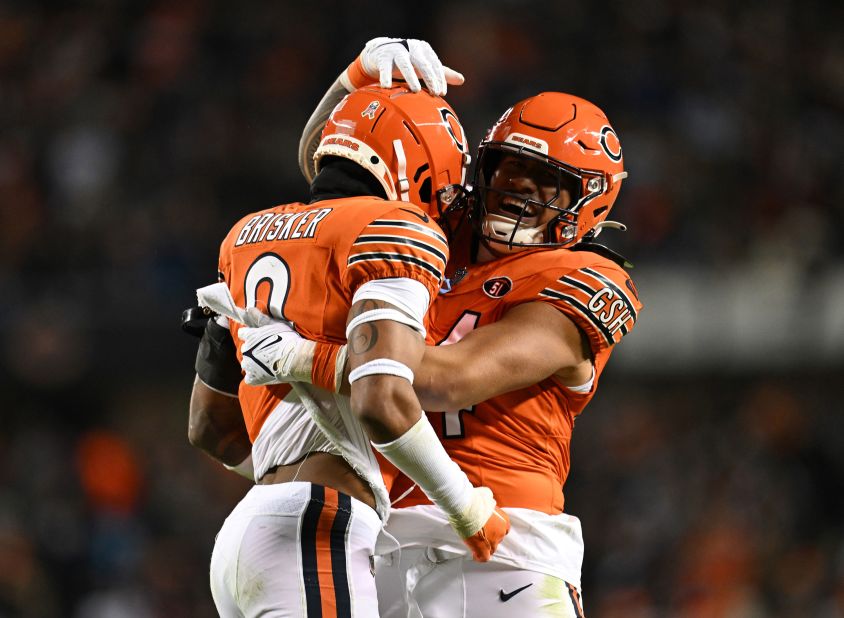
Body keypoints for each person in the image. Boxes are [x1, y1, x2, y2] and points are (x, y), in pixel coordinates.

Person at [245, 47, 642, 616]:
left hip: (506, 548)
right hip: (378, 542)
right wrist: (352, 80)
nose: (519, 190)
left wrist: (305, 357)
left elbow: (444, 381)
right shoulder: (433, 231)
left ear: (589, 202)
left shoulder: (585, 276)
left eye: (548, 183)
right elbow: (337, 177)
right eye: (510, 168)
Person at [187, 39, 509, 618]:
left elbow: (209, 428)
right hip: (315, 527)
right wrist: (467, 511)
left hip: (248, 533)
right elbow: (382, 398)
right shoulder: (394, 226)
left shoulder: (244, 236)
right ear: (420, 166)